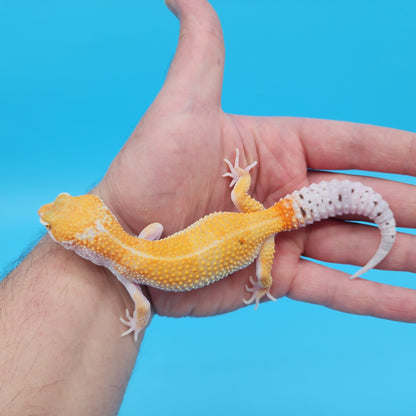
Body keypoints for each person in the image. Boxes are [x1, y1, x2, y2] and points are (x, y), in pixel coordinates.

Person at [1, 0, 415, 414]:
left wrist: (258, 283)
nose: (47, 217)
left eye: (59, 225)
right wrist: (240, 185)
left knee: (264, 276)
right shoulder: (137, 245)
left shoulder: (127, 272)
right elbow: (155, 234)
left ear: (84, 246)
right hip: (252, 218)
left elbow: (140, 309)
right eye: (59, 224)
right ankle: (255, 194)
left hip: (262, 233)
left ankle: (271, 273)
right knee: (245, 214)